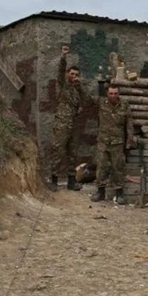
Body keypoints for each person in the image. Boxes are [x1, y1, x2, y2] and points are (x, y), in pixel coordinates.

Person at [48, 45, 93, 192]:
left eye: (76, 74)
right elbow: (60, 71)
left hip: (73, 124)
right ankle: (54, 180)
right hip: (62, 123)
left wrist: (80, 87)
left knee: (73, 153)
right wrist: (63, 57)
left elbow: (87, 101)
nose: (74, 76)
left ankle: (71, 181)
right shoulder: (63, 85)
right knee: (58, 151)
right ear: (68, 74)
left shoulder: (78, 89)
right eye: (72, 74)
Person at [92, 85, 135, 204]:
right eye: (111, 93)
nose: (113, 96)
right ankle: (100, 192)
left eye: (115, 93)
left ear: (119, 94)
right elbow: (87, 99)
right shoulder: (101, 103)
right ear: (107, 94)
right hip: (103, 141)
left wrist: (129, 139)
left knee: (118, 167)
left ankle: (119, 193)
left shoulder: (124, 105)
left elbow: (129, 123)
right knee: (101, 167)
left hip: (117, 142)